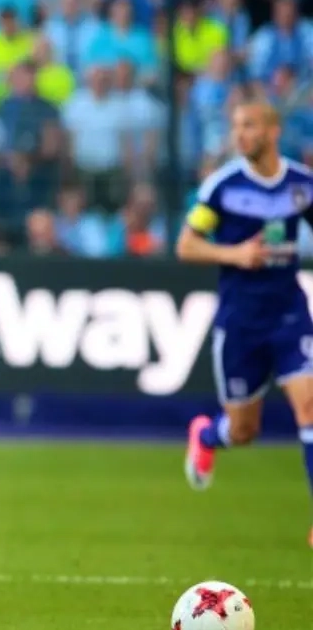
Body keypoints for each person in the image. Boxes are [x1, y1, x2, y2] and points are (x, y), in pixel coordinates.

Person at [175, 98, 313, 547]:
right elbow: (187, 245)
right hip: (241, 322)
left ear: (273, 132)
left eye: (250, 125)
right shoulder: (223, 187)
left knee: (310, 407)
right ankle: (206, 436)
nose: (240, 134)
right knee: (243, 431)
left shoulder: (302, 184)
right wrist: (235, 254)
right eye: (236, 126)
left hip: (290, 314)